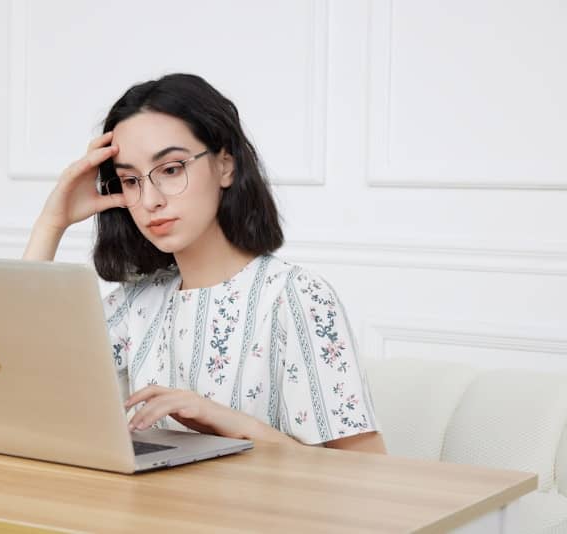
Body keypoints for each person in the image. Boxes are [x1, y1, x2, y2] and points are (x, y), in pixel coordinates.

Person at [23, 73, 386, 453]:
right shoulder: (134, 304)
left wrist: (227, 422)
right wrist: (52, 223)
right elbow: (23, 378)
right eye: (130, 181)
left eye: (171, 169)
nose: (150, 201)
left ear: (225, 165)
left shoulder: (294, 297)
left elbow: (366, 471)